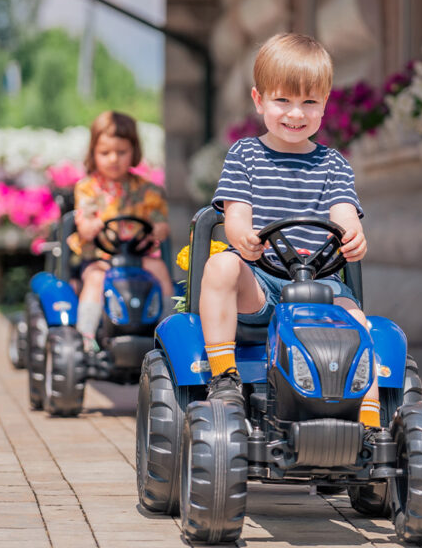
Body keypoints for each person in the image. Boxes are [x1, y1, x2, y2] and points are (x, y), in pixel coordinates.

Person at [200, 33, 381, 429]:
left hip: (322, 285)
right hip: (262, 282)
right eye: (283, 100)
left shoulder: (333, 164)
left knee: (361, 324)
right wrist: (242, 236)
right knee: (220, 267)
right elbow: (235, 214)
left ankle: (369, 422)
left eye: (309, 102)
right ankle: (224, 374)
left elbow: (345, 213)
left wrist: (353, 235)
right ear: (259, 99)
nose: (295, 114)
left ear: (324, 105)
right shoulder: (245, 154)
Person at [67, 110, 174, 352]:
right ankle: (86, 334)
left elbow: (162, 225)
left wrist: (158, 228)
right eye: (105, 153)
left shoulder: (148, 190)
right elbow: (83, 224)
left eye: (121, 152)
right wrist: (89, 226)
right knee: (95, 278)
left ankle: (168, 328)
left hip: (138, 258)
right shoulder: (88, 189)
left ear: (133, 152)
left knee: (161, 270)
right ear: (93, 153)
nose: (113, 159)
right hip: (100, 258)